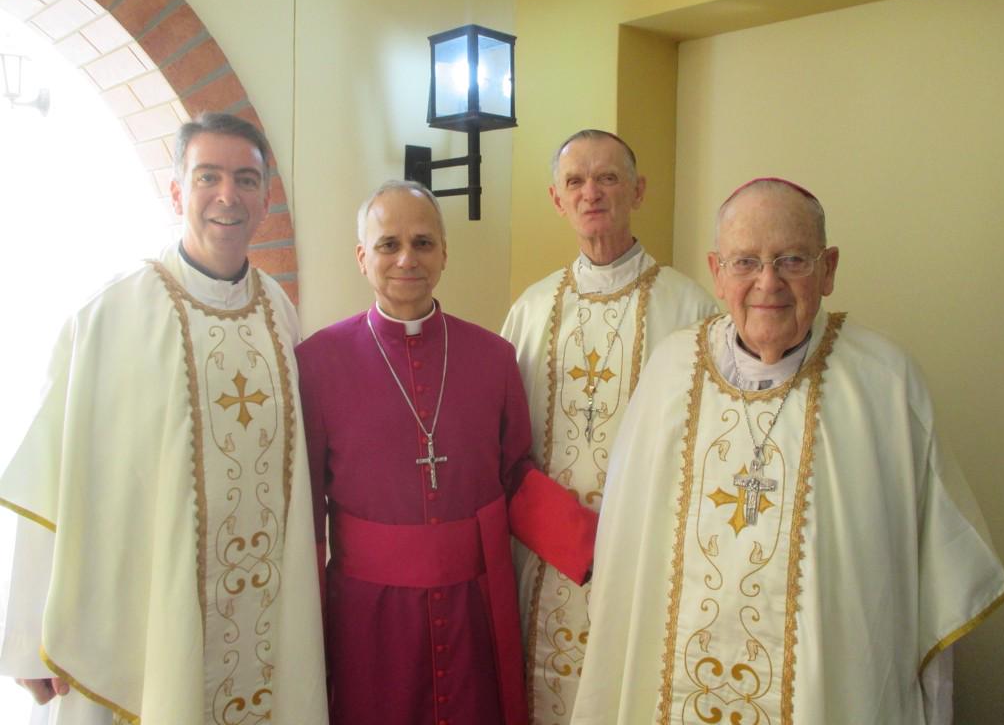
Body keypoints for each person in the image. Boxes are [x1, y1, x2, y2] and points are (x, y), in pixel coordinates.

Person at [571, 177, 1004, 724]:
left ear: (829, 269)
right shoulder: (670, 371)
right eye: (745, 262)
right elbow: (625, 556)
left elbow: (936, 579)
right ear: (716, 272)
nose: (767, 282)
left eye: (792, 260)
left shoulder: (883, 383)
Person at [0, 113, 327, 724]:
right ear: (177, 192)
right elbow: (52, 479)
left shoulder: (279, 312)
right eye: (208, 177)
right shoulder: (112, 313)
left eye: (246, 180)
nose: (227, 195)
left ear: (265, 201)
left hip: (261, 611)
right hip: (147, 613)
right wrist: (28, 637)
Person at [296, 180, 598, 725]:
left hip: (472, 610)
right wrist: (304, 626)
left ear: (444, 253)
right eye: (388, 244)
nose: (406, 259)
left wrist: (595, 546)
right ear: (362, 257)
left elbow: (514, 476)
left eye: (423, 243)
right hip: (367, 617)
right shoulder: (318, 362)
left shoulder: (492, 357)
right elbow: (307, 509)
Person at [501, 129, 718, 723]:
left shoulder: (691, 312)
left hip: (644, 560)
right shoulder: (530, 311)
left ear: (638, 190)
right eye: (575, 181)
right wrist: (564, 534)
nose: (590, 193)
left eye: (607, 178)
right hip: (546, 563)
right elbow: (502, 447)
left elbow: (707, 451)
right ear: (557, 199)